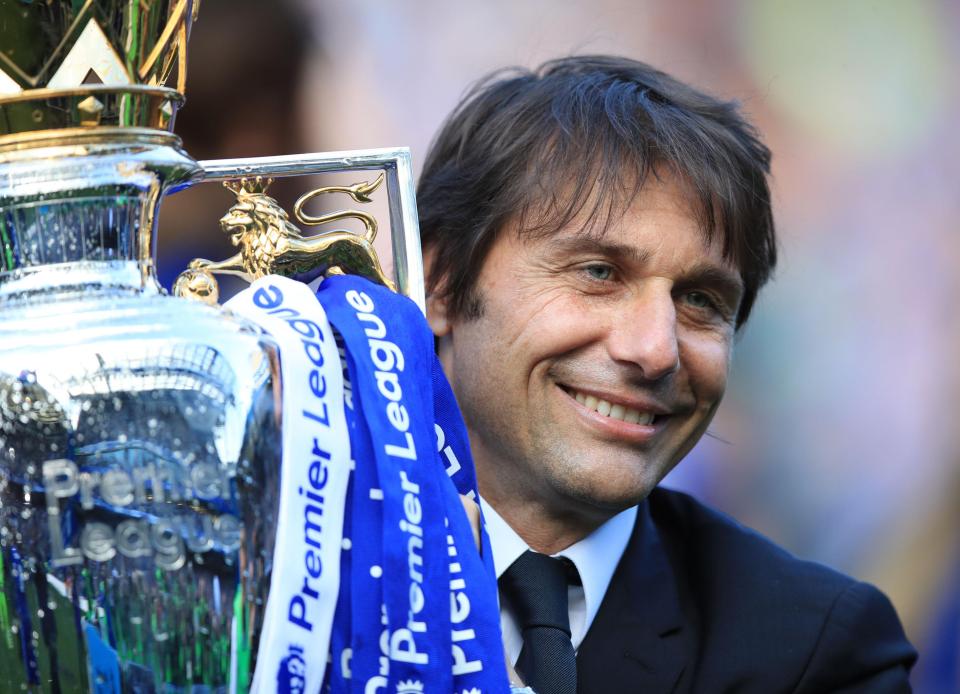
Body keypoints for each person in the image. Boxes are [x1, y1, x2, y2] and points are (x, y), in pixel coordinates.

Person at [417, 56, 917, 693]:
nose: (656, 350)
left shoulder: (817, 656)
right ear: (440, 283)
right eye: (599, 273)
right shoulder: (287, 553)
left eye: (701, 301)